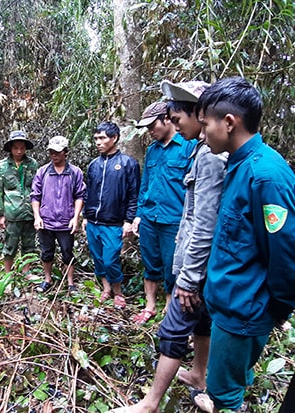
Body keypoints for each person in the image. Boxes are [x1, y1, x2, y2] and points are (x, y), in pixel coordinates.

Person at [113, 80, 227, 413]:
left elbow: (204, 222)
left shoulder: (208, 154)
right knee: (201, 320)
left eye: (177, 118)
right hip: (160, 223)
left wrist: (188, 278)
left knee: (174, 328)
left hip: (193, 257)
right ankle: (197, 374)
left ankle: (150, 403)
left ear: (199, 115)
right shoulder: (197, 147)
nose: (176, 125)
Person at [198, 76, 295, 412]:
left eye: (205, 124)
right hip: (229, 304)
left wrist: (277, 309)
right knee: (226, 381)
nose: (201, 133)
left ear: (228, 122)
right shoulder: (237, 166)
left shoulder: (265, 175)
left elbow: (284, 253)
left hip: (244, 310)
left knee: (225, 394)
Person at [132, 101, 197, 324]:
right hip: (150, 216)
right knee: (150, 263)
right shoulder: (152, 150)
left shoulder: (188, 147)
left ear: (167, 120)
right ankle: (150, 305)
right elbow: (145, 184)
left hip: (174, 219)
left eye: (153, 126)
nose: (150, 131)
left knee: (172, 265)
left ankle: (170, 307)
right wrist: (139, 214)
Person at [82, 122, 140, 309]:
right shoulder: (93, 165)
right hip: (93, 221)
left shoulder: (127, 164)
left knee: (110, 259)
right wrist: (85, 216)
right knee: (98, 258)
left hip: (113, 222)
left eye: (102, 138)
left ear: (114, 138)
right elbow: (88, 192)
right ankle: (106, 289)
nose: (98, 142)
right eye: (96, 138)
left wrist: (128, 220)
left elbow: (134, 194)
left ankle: (118, 292)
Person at [30, 136, 85, 292]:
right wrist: (37, 216)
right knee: (46, 252)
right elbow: (35, 195)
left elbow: (79, 195)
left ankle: (70, 283)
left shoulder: (74, 172)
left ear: (66, 152)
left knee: (67, 252)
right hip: (46, 221)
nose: (54, 155)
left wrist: (76, 217)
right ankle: (47, 279)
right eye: (51, 152)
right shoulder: (43, 171)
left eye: (58, 152)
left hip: (66, 221)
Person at [0, 130, 38, 275]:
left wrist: (39, 213)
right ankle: (8, 274)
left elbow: (37, 189)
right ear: (10, 148)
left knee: (29, 245)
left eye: (22, 148)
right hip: (12, 213)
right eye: (15, 148)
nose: (19, 151)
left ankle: (26, 272)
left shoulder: (32, 164)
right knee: (10, 246)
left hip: (29, 212)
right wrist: (0, 214)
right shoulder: (2, 166)